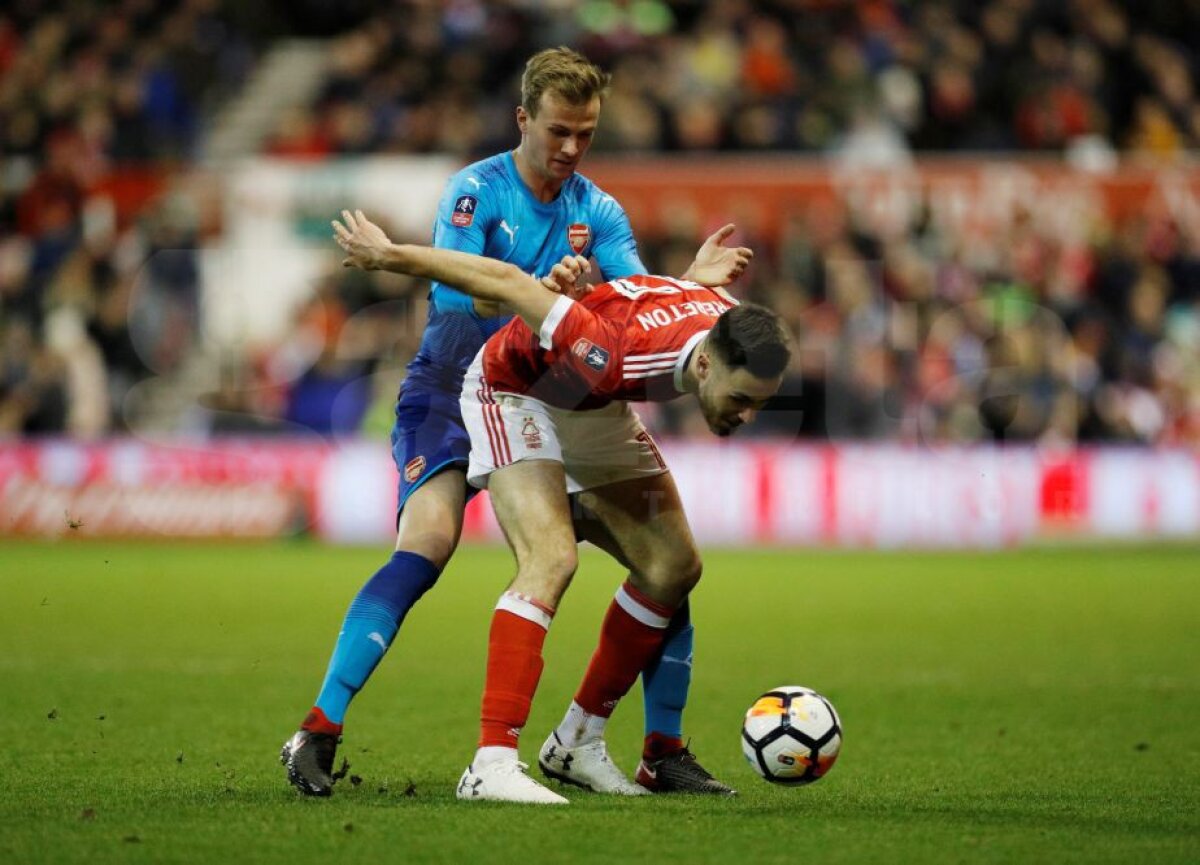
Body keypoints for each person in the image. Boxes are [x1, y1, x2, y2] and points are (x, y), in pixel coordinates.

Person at [281, 47, 751, 797]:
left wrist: (685, 285)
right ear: (523, 119)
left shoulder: (597, 210)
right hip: (451, 389)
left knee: (662, 558)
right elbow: (461, 300)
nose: (570, 150)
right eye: (558, 131)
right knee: (428, 544)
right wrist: (544, 293)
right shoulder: (476, 191)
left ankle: (660, 747)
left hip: (548, 397)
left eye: (586, 135)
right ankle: (319, 727)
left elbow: (634, 302)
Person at [332, 210, 791, 803]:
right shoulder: (613, 351)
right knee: (551, 560)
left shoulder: (723, 322)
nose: (746, 416)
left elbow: (663, 303)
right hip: (516, 389)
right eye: (740, 399)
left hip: (591, 407)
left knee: (674, 566)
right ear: (705, 365)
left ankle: (578, 741)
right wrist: (390, 255)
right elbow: (506, 281)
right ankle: (490, 764)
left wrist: (691, 280)